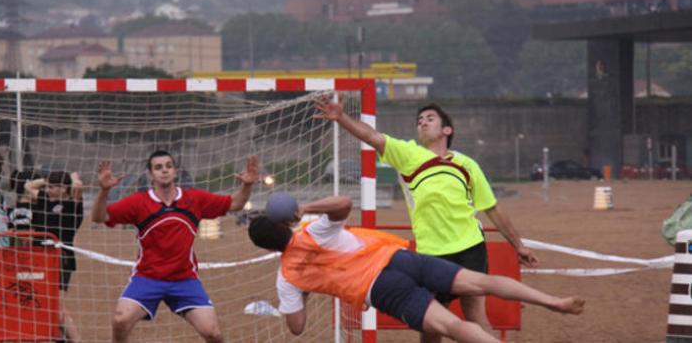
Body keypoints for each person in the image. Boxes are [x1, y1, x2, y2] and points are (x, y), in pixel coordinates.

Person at [314, 95, 539, 340]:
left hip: (471, 246)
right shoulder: (408, 154)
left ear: (447, 130)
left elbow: (492, 208)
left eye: (430, 118)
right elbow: (371, 136)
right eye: (419, 120)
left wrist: (519, 245)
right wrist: (342, 118)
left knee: (475, 316)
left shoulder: (467, 164)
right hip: (432, 253)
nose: (422, 122)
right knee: (432, 323)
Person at [247, 195, 584, 342]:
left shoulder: (288, 277)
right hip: (400, 258)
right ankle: (553, 301)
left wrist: (304, 293)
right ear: (284, 226)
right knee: (482, 281)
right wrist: (303, 206)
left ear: (267, 247)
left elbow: (296, 327)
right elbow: (344, 205)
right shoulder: (309, 230)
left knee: (451, 326)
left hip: (380, 288)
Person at [90, 151, 259, 343]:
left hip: (184, 279)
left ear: (175, 171)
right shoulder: (138, 202)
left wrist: (247, 185)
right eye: (158, 167)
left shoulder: (194, 199)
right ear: (150, 174)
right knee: (120, 319)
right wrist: (104, 191)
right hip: (148, 277)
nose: (164, 171)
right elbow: (98, 217)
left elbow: (235, 203)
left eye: (168, 166)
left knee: (213, 333)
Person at [25, 170, 84, 343]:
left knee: (56, 307)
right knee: (44, 305)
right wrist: (47, 180)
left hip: (61, 260)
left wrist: (72, 180)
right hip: (38, 259)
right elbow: (28, 186)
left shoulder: (72, 206)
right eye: (49, 186)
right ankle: (59, 338)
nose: (49, 189)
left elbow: (79, 187)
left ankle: (76, 339)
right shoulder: (43, 200)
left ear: (65, 189)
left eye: (54, 186)